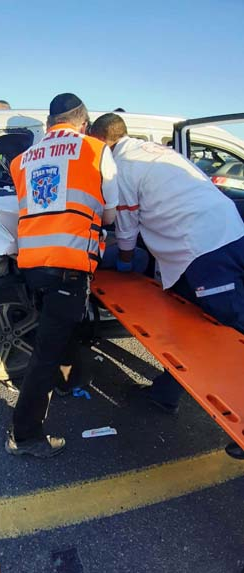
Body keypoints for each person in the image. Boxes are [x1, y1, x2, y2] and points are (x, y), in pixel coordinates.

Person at [88, 113, 244, 448]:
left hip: (205, 249)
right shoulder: (154, 151)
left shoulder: (122, 167)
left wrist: (125, 264)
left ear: (101, 141)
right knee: (190, 326)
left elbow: (126, 228)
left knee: (233, 330)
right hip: (225, 232)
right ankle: (165, 394)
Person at [5, 93, 118, 458]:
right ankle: (24, 436)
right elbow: (111, 212)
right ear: (83, 124)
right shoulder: (95, 150)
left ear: (49, 124)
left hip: (33, 264)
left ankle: (67, 383)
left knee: (58, 329)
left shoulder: (22, 160)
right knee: (46, 352)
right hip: (68, 265)